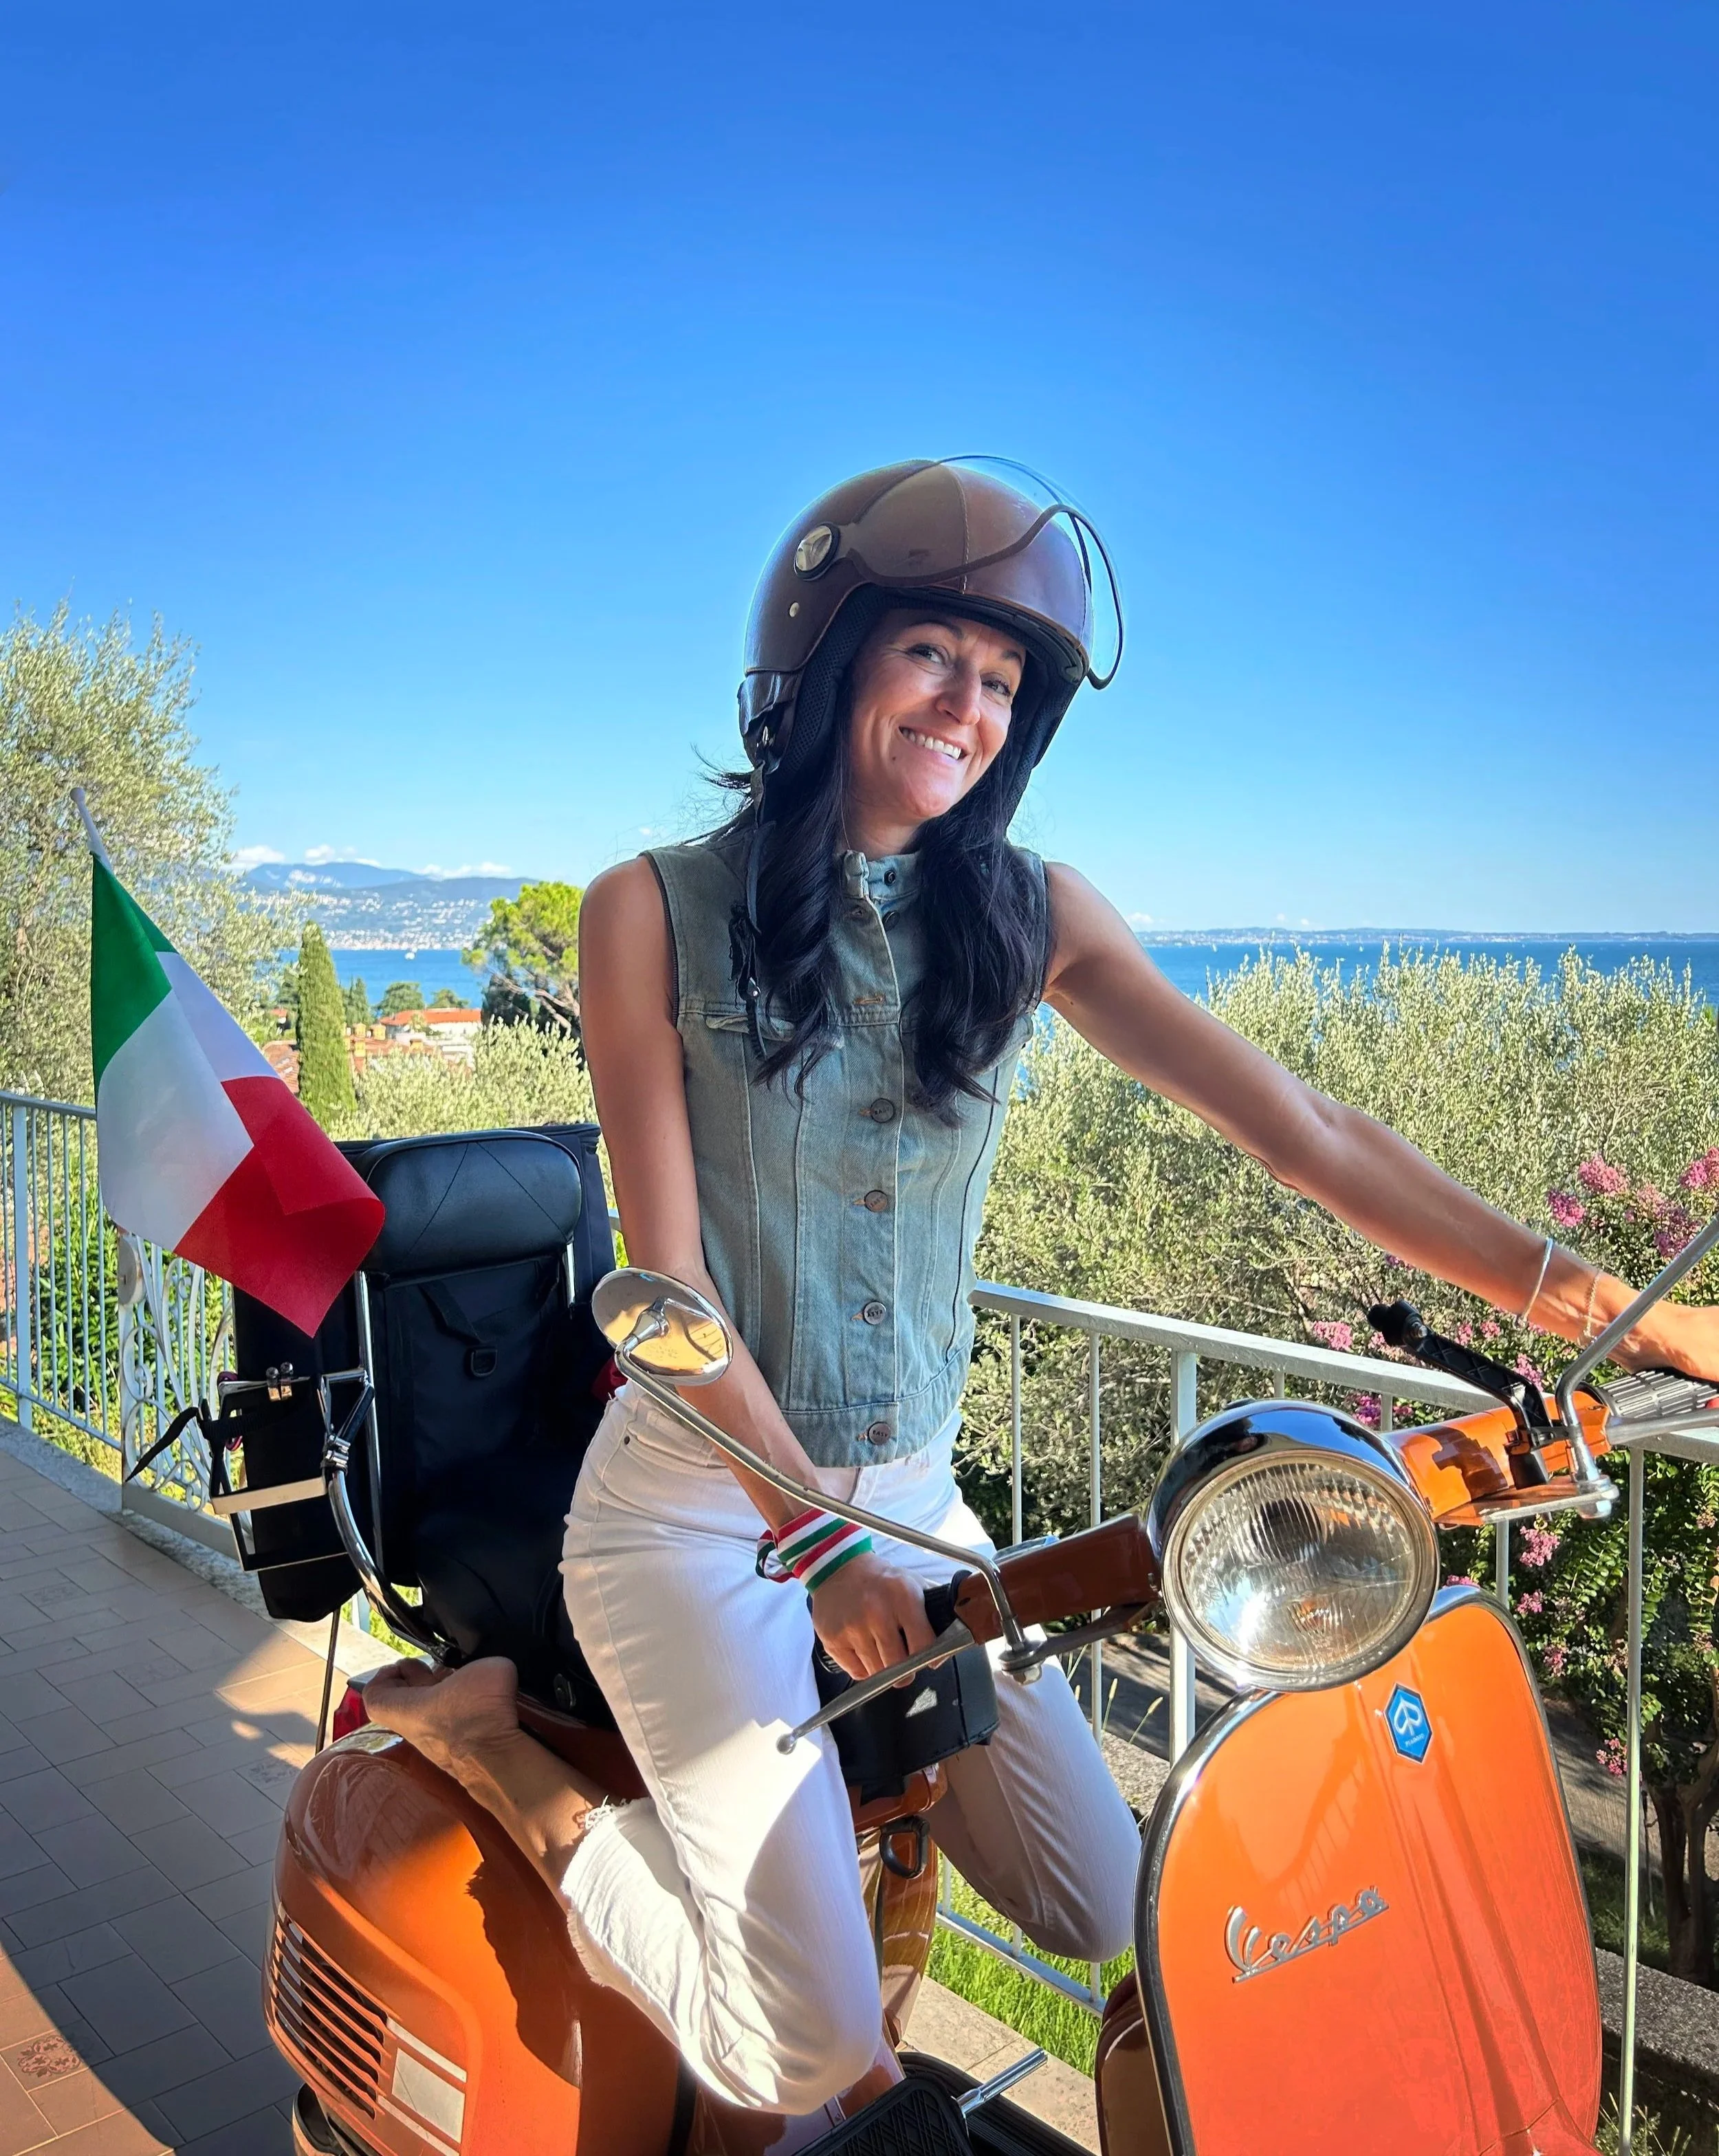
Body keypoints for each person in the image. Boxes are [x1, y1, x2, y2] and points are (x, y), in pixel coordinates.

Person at [367, 457, 1719, 2115]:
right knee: (802, 2046)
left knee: (1102, 1898)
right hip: (705, 1513)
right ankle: (485, 1738)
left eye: (1003, 681)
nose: (969, 706)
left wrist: (1610, 1308)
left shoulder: (1033, 914)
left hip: (916, 1507)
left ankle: (845, 1847)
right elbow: (663, 1288)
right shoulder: (647, 907)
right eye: (932, 652)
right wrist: (809, 1529)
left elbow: (1302, 1128)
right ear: (825, 657)